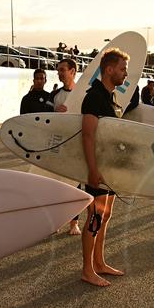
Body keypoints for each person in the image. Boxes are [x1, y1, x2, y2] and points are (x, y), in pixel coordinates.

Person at [80, 48, 128, 287]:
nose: (125, 74)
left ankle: (99, 262)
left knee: (105, 214)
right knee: (95, 216)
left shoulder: (110, 97)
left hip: (109, 169)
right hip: (97, 168)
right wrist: (92, 169)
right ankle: (87, 269)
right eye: (122, 69)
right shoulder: (94, 97)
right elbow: (88, 135)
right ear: (108, 70)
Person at [50, 58, 82, 235]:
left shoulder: (84, 94)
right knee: (57, 184)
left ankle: (74, 223)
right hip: (58, 147)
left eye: (63, 69)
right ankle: (57, 221)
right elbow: (44, 120)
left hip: (77, 148)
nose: (59, 73)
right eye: (58, 70)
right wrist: (54, 113)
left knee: (74, 185)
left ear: (73, 72)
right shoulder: (54, 95)